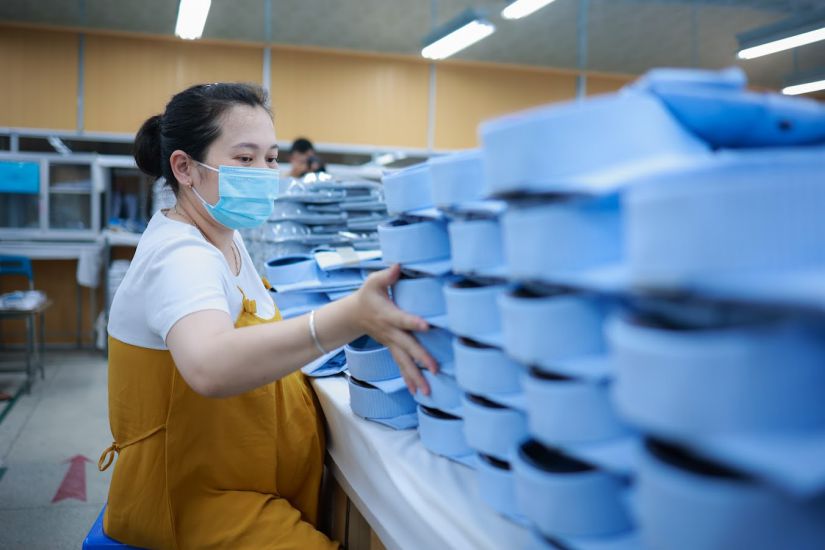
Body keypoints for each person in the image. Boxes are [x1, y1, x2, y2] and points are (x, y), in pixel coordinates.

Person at [99, 83, 436, 549]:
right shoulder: (180, 256)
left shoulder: (224, 234)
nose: (264, 172)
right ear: (185, 168)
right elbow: (210, 365)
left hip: (242, 481)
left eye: (272, 158)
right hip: (195, 500)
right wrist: (348, 317)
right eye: (244, 158)